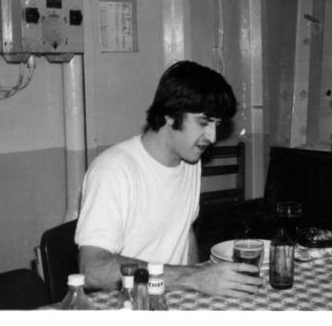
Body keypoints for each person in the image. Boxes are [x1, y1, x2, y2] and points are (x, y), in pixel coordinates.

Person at [74, 60, 263, 297]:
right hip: (126, 303)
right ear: (171, 115)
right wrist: (194, 278)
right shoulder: (113, 170)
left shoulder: (190, 160)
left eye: (216, 124)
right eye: (203, 122)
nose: (213, 137)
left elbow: (184, 232)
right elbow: (93, 269)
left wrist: (196, 287)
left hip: (172, 298)